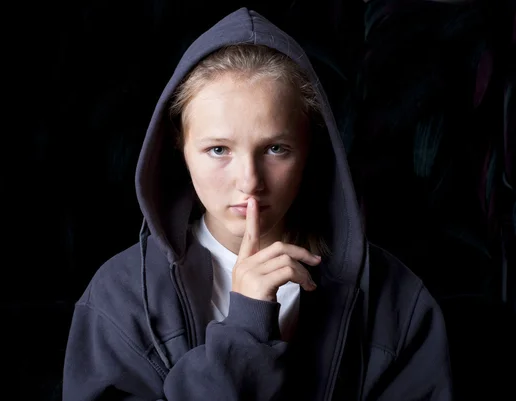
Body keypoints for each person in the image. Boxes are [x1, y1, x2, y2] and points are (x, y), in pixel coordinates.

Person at [62, 7, 453, 401]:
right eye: (218, 149)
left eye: (276, 149)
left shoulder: (393, 298)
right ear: (179, 147)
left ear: (310, 149)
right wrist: (247, 327)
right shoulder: (121, 297)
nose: (249, 181)